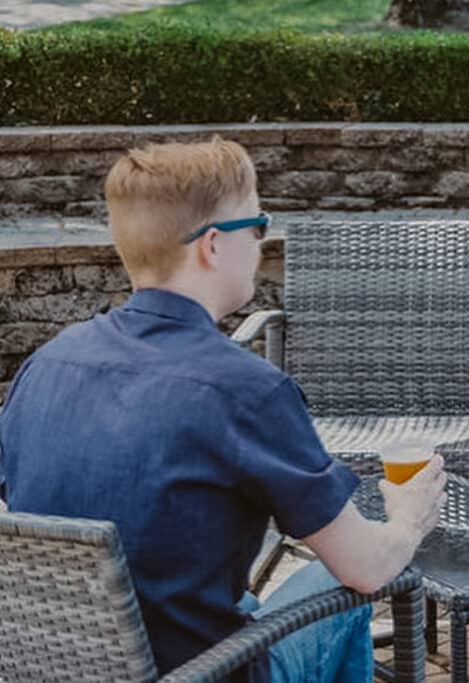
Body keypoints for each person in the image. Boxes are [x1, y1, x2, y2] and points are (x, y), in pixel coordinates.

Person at [0, 138, 446, 683]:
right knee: (347, 587)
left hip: (59, 668)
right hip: (207, 672)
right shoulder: (246, 391)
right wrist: (409, 517)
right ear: (212, 245)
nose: (261, 243)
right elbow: (367, 567)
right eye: (257, 226)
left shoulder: (46, 364)